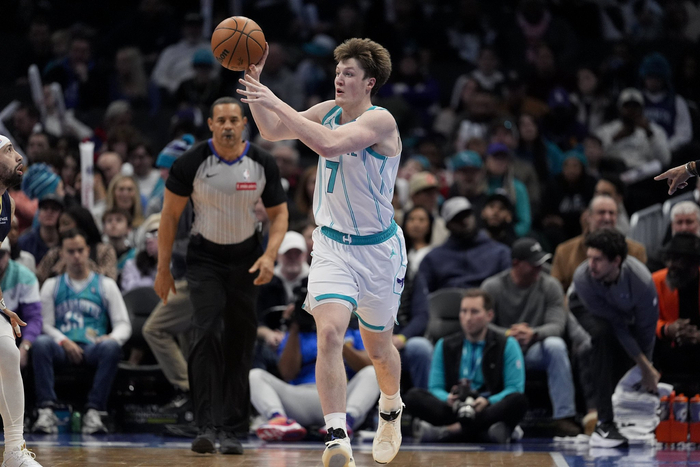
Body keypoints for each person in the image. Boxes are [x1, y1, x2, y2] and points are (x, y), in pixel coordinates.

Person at [238, 38, 406, 466]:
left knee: (379, 351)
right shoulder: (327, 111)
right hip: (331, 245)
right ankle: (336, 436)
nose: (339, 79)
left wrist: (275, 99)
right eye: (337, 72)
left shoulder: (381, 120)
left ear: (369, 83)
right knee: (329, 333)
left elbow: (329, 145)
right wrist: (255, 86)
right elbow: (271, 131)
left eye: (349, 73)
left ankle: (391, 408)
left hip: (378, 251)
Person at [154, 97, 288, 455]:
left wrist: (270, 256)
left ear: (244, 124)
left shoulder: (262, 162)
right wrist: (163, 269)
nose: (228, 126)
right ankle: (206, 426)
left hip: (247, 258)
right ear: (211, 125)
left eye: (234, 120)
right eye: (221, 120)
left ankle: (232, 429)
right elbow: (169, 217)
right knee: (206, 333)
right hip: (205, 258)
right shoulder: (191, 162)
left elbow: (279, 215)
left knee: (240, 341)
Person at [32, 229, 131, 436]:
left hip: (93, 347)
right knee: (41, 343)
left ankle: (95, 411)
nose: (76, 256)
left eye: (80, 250)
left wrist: (111, 337)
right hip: (62, 348)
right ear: (62, 254)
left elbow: (123, 324)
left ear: (87, 251)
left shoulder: (106, 284)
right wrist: (63, 341)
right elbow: (45, 324)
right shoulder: (51, 285)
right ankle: (46, 410)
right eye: (70, 251)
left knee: (111, 347)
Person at [569, 228, 660, 448]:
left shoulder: (641, 283)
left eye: (598, 260)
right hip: (585, 306)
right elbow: (615, 325)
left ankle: (628, 417)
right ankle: (604, 423)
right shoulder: (583, 277)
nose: (591, 264)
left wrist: (647, 369)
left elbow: (646, 331)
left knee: (635, 357)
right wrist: (644, 366)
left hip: (626, 314)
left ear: (616, 261)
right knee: (603, 337)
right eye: (589, 257)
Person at [482, 238, 581, 437]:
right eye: (533, 264)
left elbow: (557, 325)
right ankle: (486, 413)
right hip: (502, 350)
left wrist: (534, 333)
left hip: (534, 348)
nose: (539, 268)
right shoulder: (492, 286)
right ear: (516, 264)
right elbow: (482, 324)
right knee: (481, 343)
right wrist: (508, 335)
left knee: (556, 345)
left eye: (541, 262)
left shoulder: (551, 285)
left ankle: (564, 416)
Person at [404, 289, 527, 444]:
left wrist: (488, 401)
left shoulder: (507, 344)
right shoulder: (444, 345)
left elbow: (515, 388)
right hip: (455, 408)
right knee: (413, 396)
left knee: (518, 401)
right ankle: (485, 432)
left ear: (489, 315)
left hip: (486, 407)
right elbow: (435, 388)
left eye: (474, 312)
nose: (468, 318)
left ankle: (451, 431)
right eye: (464, 311)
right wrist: (448, 399)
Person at [251, 316, 380, 442]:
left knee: (373, 372)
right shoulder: (296, 335)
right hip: (300, 398)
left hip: (339, 401)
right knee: (255, 375)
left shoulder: (353, 332)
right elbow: (287, 373)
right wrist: (295, 325)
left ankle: (343, 424)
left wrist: (335, 338)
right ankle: (279, 419)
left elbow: (366, 365)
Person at [0, 135, 43, 467]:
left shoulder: (8, 204)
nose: (18, 156)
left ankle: (14, 450)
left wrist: (1, 305)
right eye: (7, 151)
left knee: (8, 352)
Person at [550, 195, 647, 293]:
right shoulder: (564, 251)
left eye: (611, 213)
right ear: (588, 216)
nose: (607, 218)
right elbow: (556, 292)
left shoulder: (636, 251)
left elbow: (641, 289)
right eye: (601, 212)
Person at [651, 233, 700, 385]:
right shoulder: (656, 281)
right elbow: (646, 320)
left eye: (678, 259)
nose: (671, 265)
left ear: (695, 263)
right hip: (668, 355)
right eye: (669, 259)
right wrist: (667, 329)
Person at [36, 205, 117, 286]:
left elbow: (110, 279)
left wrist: (83, 263)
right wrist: (57, 269)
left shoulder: (104, 250)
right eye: (59, 225)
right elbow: (38, 280)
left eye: (66, 224)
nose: (61, 229)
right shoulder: (55, 253)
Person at [121, 214, 159, 292]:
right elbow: (132, 292)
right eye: (148, 235)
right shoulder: (132, 265)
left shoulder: (176, 264)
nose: (150, 240)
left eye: (156, 234)